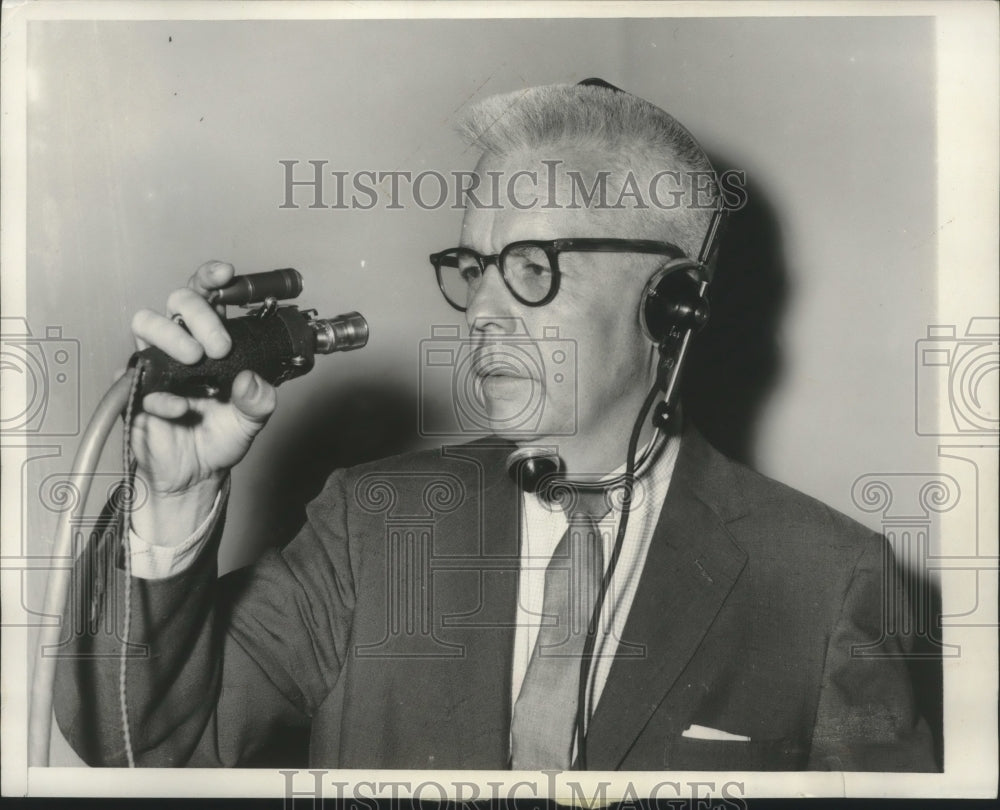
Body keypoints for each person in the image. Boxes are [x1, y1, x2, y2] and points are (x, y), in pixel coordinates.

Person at [54, 80, 936, 771]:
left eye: (529, 266)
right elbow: (145, 743)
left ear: (673, 304)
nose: (478, 308)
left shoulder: (827, 581)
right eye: (472, 267)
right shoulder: (372, 527)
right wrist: (174, 497)